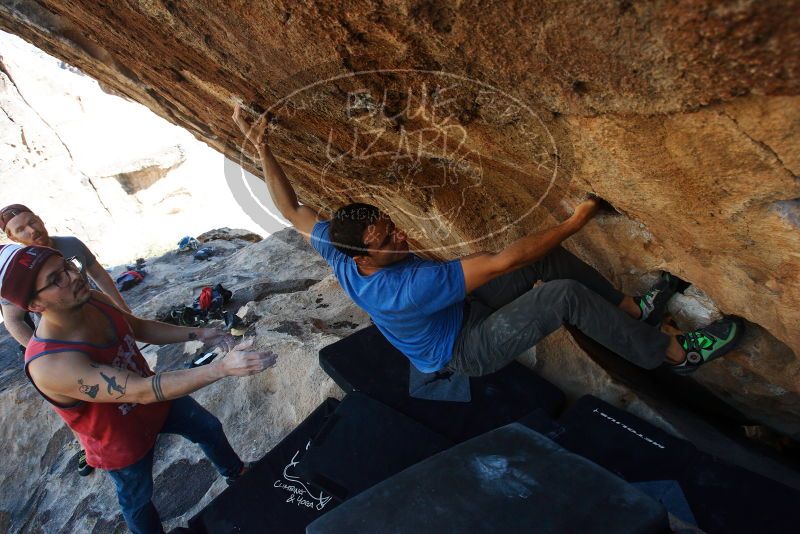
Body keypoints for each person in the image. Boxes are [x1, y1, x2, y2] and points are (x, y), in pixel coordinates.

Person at [232, 104, 743, 378]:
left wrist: (263, 148)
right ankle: (674, 356)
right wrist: (576, 219)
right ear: (364, 253)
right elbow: (500, 262)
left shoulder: (340, 249)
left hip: (459, 313)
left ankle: (633, 311)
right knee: (558, 294)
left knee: (549, 263)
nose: (401, 234)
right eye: (388, 238)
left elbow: (293, 209)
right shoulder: (408, 285)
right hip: (465, 348)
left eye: (392, 223)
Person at [0, 243, 277, 534]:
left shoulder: (92, 299)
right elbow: (140, 390)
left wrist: (199, 333)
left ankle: (237, 474)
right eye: (56, 280)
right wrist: (220, 368)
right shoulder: (50, 363)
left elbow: (138, 327)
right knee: (138, 498)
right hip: (117, 436)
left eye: (67, 266)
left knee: (208, 428)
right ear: (33, 305)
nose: (72, 277)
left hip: (157, 403)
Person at [0, 203, 133, 477]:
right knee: (77, 402)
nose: (31, 230)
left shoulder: (69, 245)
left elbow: (99, 275)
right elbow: (12, 319)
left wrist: (123, 313)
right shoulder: (20, 271)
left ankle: (139, 417)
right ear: (12, 238)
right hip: (59, 342)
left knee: (123, 373)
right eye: (20, 229)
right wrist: (43, 355)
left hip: (95, 323)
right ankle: (91, 448)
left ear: (40, 217)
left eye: (32, 221)